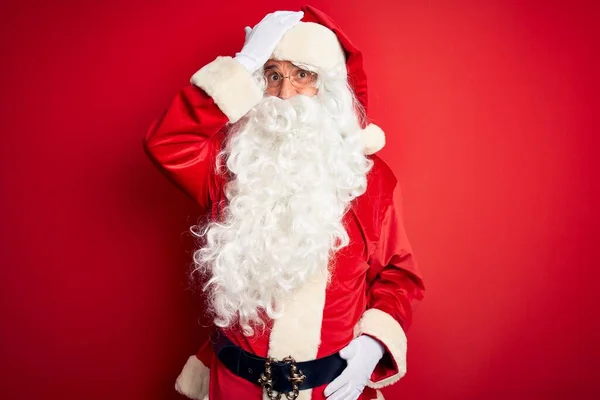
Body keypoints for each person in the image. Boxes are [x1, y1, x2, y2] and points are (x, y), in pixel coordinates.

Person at [143, 5, 425, 400]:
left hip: (330, 389)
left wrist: (374, 344)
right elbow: (167, 143)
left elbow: (399, 276)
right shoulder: (233, 167)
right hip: (234, 385)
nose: (284, 93)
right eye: (272, 75)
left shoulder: (369, 180)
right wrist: (244, 63)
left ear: (329, 90)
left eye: (302, 75)